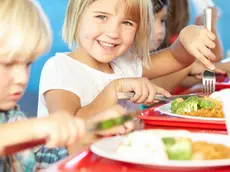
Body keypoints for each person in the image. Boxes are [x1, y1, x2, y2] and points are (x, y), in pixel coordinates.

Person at [37, 0, 217, 157]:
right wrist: (113, 90)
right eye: (101, 17)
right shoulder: (61, 68)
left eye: (127, 22)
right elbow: (68, 131)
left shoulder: (125, 64)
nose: (113, 32)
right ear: (77, 15)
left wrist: (187, 36)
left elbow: (176, 58)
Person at [0, 0, 136, 171]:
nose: (21, 78)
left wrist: (89, 132)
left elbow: (38, 161)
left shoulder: (10, 115)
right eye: (7, 64)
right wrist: (35, 127)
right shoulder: (19, 126)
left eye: (27, 64)